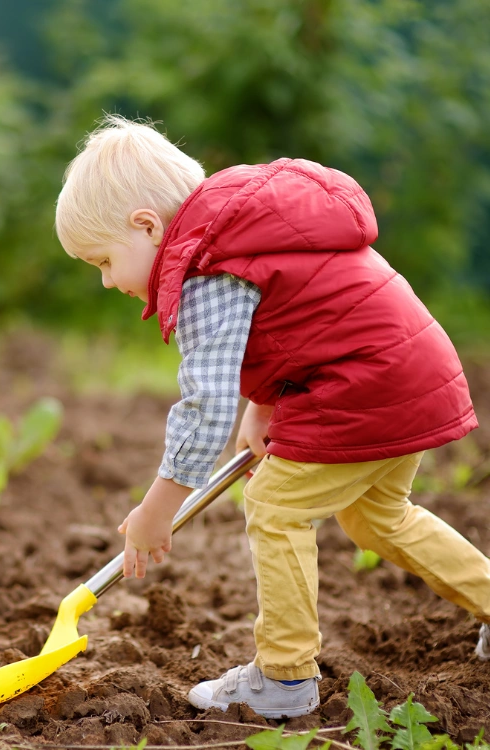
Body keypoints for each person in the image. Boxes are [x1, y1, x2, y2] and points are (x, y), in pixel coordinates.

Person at [54, 114, 486, 719]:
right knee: (378, 518)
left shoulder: (207, 270)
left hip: (363, 383)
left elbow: (206, 402)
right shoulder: (243, 231)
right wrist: (265, 404)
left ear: (146, 227)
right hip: (401, 368)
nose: (105, 282)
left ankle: (284, 677)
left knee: (277, 506)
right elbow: (299, 315)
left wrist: (158, 509)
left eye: (102, 261)